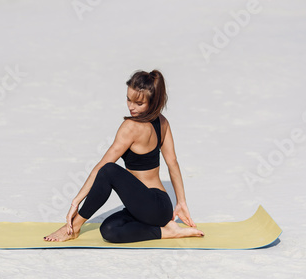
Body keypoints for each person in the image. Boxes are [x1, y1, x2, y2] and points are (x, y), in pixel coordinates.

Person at [44, 69, 204, 242]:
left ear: (153, 102)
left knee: (109, 170)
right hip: (154, 207)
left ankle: (74, 227)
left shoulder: (131, 127)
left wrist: (76, 202)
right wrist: (180, 202)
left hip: (152, 205)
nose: (131, 106)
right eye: (129, 99)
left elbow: (102, 168)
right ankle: (167, 231)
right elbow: (173, 163)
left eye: (139, 103)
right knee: (109, 229)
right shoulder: (162, 121)